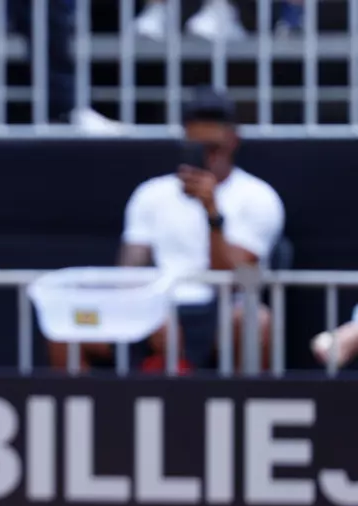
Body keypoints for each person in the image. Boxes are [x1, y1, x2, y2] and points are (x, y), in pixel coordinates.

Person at [47, 86, 285, 373]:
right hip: (156, 305)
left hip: (218, 311)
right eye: (198, 148)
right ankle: (84, 415)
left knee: (255, 321)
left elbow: (236, 280)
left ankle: (243, 410)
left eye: (214, 148)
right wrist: (148, 308)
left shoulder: (259, 197)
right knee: (66, 326)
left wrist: (212, 213)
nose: (208, 158)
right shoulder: (151, 193)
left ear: (233, 141)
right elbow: (130, 269)